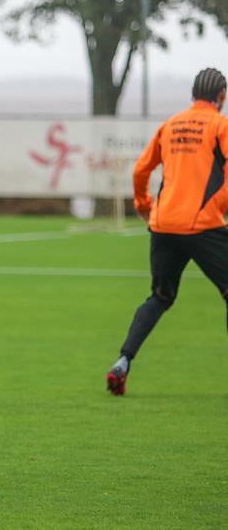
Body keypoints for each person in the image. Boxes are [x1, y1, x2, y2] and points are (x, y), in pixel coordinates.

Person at [107, 68, 228, 396]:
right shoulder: (220, 125)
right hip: (203, 226)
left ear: (193, 93)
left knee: (160, 296)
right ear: (221, 96)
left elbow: (141, 169)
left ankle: (123, 361)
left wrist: (143, 203)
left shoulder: (171, 124)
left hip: (163, 225)